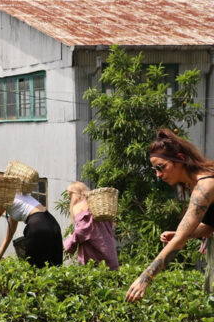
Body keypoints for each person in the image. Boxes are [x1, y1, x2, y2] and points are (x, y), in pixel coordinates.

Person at [126, 128, 214, 301]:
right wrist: (186, 234)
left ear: (180, 159)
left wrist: (145, 278)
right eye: (155, 170)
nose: (159, 175)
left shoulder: (205, 186)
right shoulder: (197, 183)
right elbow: (211, 225)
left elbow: (179, 240)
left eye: (162, 167)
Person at [0, 169, 63, 268]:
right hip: (51, 223)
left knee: (35, 267)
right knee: (54, 266)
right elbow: (10, 232)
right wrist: (0, 254)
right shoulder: (17, 194)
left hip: (38, 226)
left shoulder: (3, 196)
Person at [62, 181, 119, 270]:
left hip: (94, 253)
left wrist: (69, 242)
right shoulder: (97, 205)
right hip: (108, 248)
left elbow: (81, 231)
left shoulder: (79, 206)